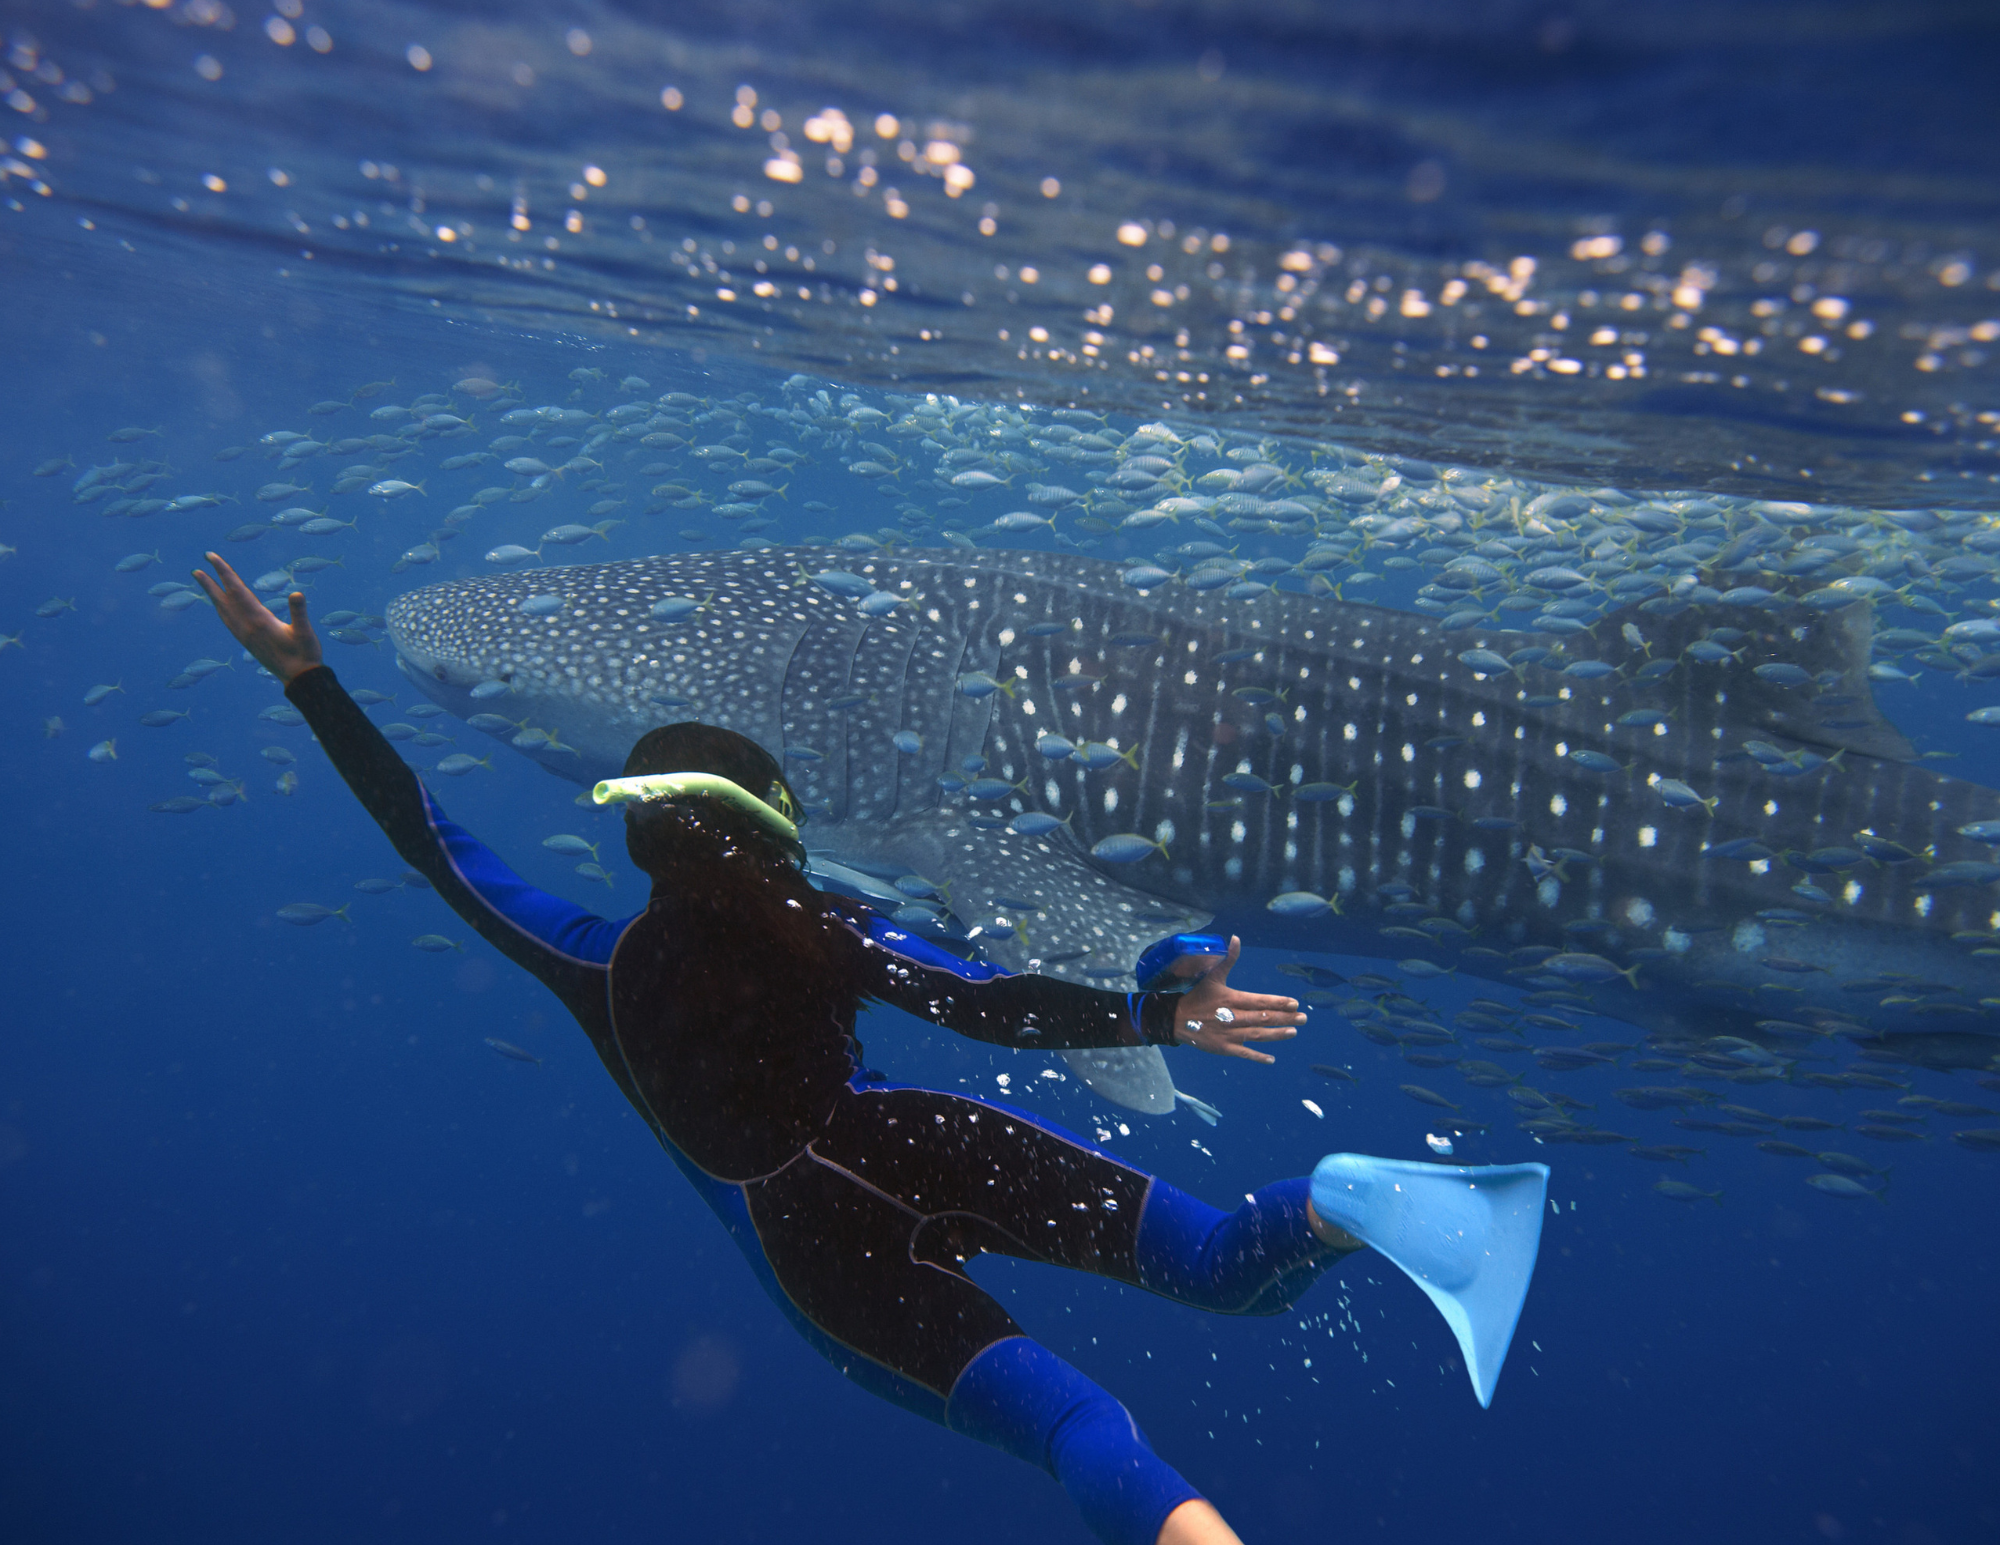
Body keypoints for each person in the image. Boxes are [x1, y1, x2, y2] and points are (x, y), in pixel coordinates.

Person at [193, 555, 1374, 1545]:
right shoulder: (837, 930)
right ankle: (1347, 1206)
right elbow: (991, 1002)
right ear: (779, 823)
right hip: (922, 1142)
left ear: (638, 831)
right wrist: (1149, 1014)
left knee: (1077, 1433)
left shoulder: (591, 964)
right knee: (1226, 1261)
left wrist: (309, 683)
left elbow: (432, 844)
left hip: (818, 1253)